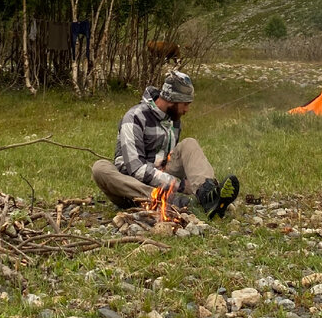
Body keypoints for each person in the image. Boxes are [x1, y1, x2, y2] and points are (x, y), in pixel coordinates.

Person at [91, 70, 239, 218]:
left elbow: (168, 159)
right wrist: (179, 185)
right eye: (185, 104)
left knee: (189, 143)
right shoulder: (134, 117)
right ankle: (171, 200)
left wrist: (188, 179)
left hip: (160, 178)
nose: (187, 110)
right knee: (100, 168)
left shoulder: (173, 119)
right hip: (130, 187)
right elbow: (136, 169)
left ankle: (208, 196)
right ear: (171, 100)